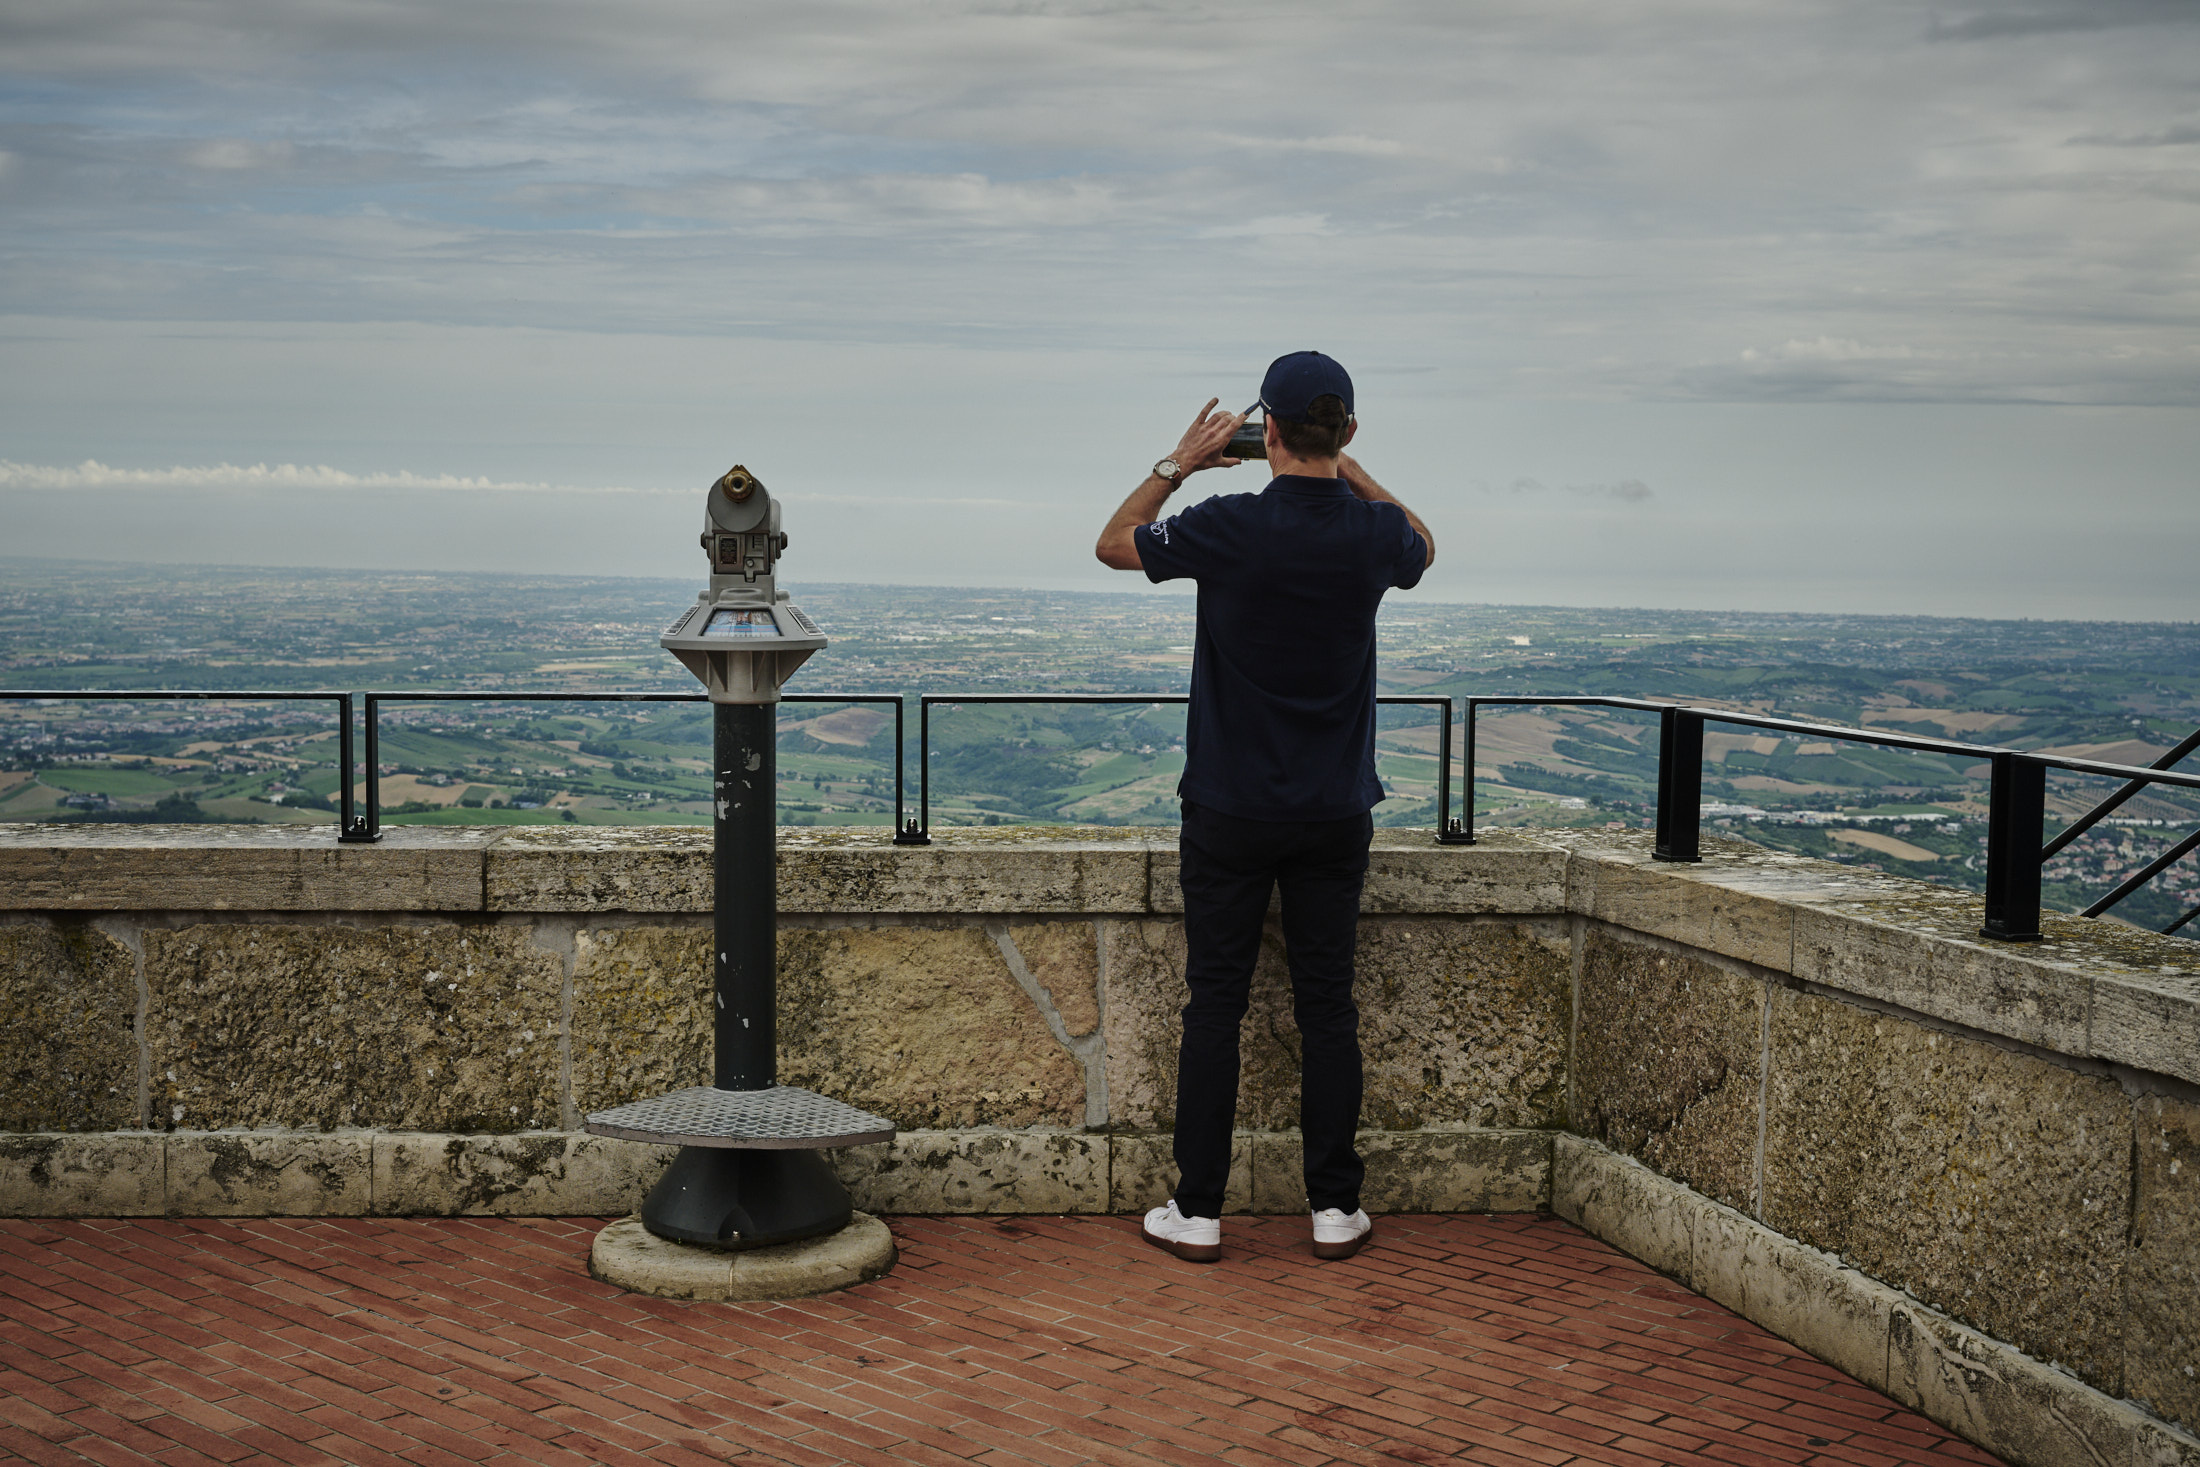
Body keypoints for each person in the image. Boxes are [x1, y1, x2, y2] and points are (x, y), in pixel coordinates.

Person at [1094, 351, 1435, 1263]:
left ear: (1267, 432)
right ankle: (1333, 1206)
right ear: (1348, 432)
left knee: (1216, 1005)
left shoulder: (1230, 523)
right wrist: (1349, 469)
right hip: (1333, 809)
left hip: (1228, 806)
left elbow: (1115, 541)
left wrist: (1179, 463)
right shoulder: (1371, 534)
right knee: (1328, 1006)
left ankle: (1198, 1209)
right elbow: (1424, 543)